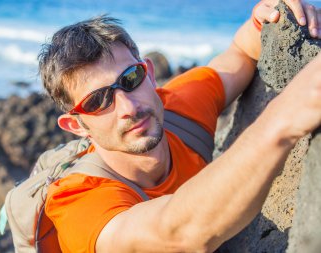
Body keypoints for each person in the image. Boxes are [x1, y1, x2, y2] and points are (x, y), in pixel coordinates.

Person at [37, 0, 321, 252]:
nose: (129, 108)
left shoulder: (179, 110)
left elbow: (241, 51)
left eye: (130, 78)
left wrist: (269, 16)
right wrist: (284, 118)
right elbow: (177, 235)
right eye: (97, 102)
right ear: (76, 125)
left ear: (148, 73)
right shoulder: (77, 200)